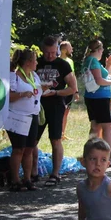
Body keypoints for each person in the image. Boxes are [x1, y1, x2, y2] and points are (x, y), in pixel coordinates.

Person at [38, 37, 79, 185]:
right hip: (37, 106)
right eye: (47, 52)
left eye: (53, 52)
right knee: (32, 141)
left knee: (55, 139)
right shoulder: (36, 62)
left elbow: (72, 88)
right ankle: (33, 173)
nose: (50, 56)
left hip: (56, 105)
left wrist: (55, 92)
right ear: (42, 50)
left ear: (57, 49)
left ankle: (55, 174)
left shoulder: (63, 65)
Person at [82, 39, 111, 166]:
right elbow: (99, 80)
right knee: (107, 127)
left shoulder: (88, 60)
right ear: (99, 50)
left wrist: (108, 67)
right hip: (99, 98)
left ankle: (91, 154)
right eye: (102, 50)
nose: (102, 53)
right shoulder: (93, 61)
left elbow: (101, 76)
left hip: (92, 97)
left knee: (95, 126)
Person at [6, 48, 43, 192]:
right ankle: (15, 180)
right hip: (17, 116)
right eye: (35, 60)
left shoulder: (34, 75)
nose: (37, 63)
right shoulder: (14, 76)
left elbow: (37, 90)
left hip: (32, 115)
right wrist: (22, 94)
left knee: (29, 149)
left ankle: (27, 179)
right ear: (28, 62)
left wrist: (45, 88)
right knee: (18, 149)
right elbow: (9, 96)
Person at [59, 40, 78, 140]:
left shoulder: (70, 61)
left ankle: (62, 133)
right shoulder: (57, 61)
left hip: (69, 90)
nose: (72, 49)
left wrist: (76, 91)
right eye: (70, 47)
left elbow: (73, 76)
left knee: (66, 112)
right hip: (61, 91)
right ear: (65, 49)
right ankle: (58, 133)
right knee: (60, 112)